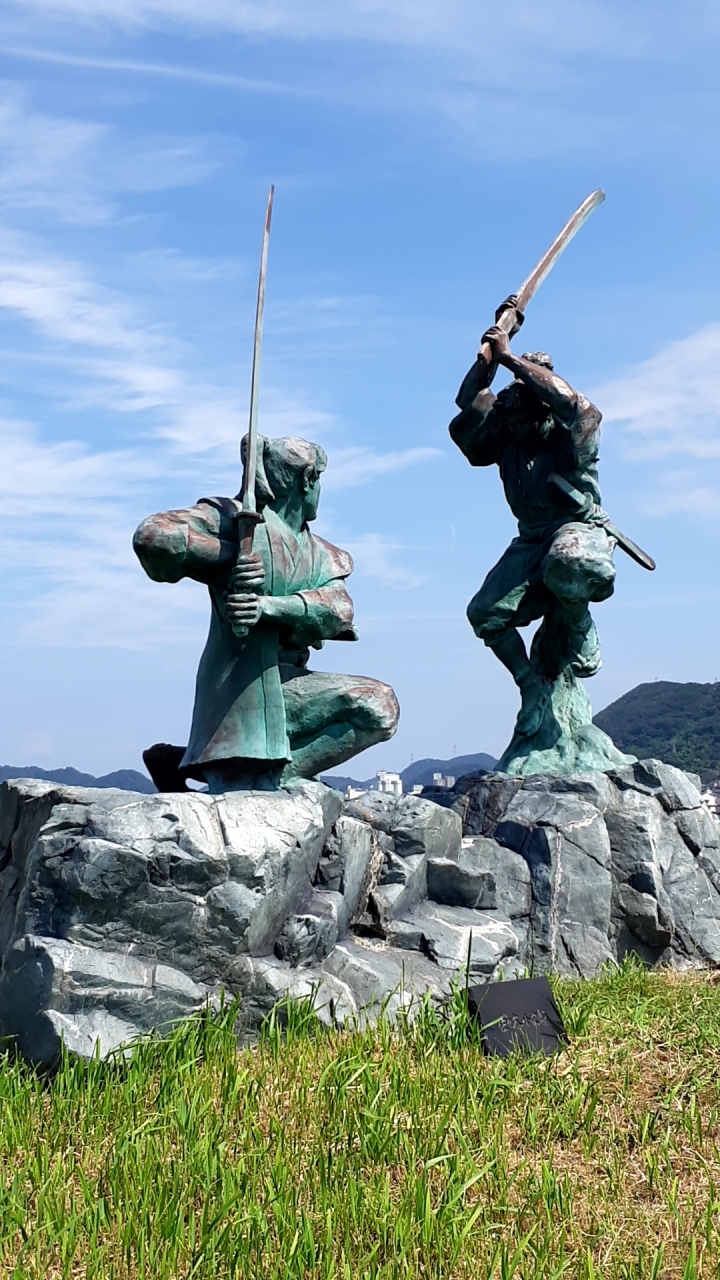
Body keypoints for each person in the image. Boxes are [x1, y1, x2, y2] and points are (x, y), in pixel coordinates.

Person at [134, 435, 399, 791]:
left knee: (379, 706)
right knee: (377, 705)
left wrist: (268, 607)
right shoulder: (235, 520)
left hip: (290, 683)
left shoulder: (323, 554)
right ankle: (265, 779)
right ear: (307, 480)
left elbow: (338, 610)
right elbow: (153, 537)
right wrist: (229, 555)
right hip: (238, 687)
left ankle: (245, 771)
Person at [449, 299, 616, 740]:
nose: (518, 427)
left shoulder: (571, 433)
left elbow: (572, 402)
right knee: (484, 613)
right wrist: (489, 358)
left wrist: (510, 359)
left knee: (569, 561)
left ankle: (579, 622)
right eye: (513, 420)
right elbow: (467, 403)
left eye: (527, 417)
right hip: (530, 541)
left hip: (577, 531)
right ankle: (531, 686)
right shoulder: (509, 432)